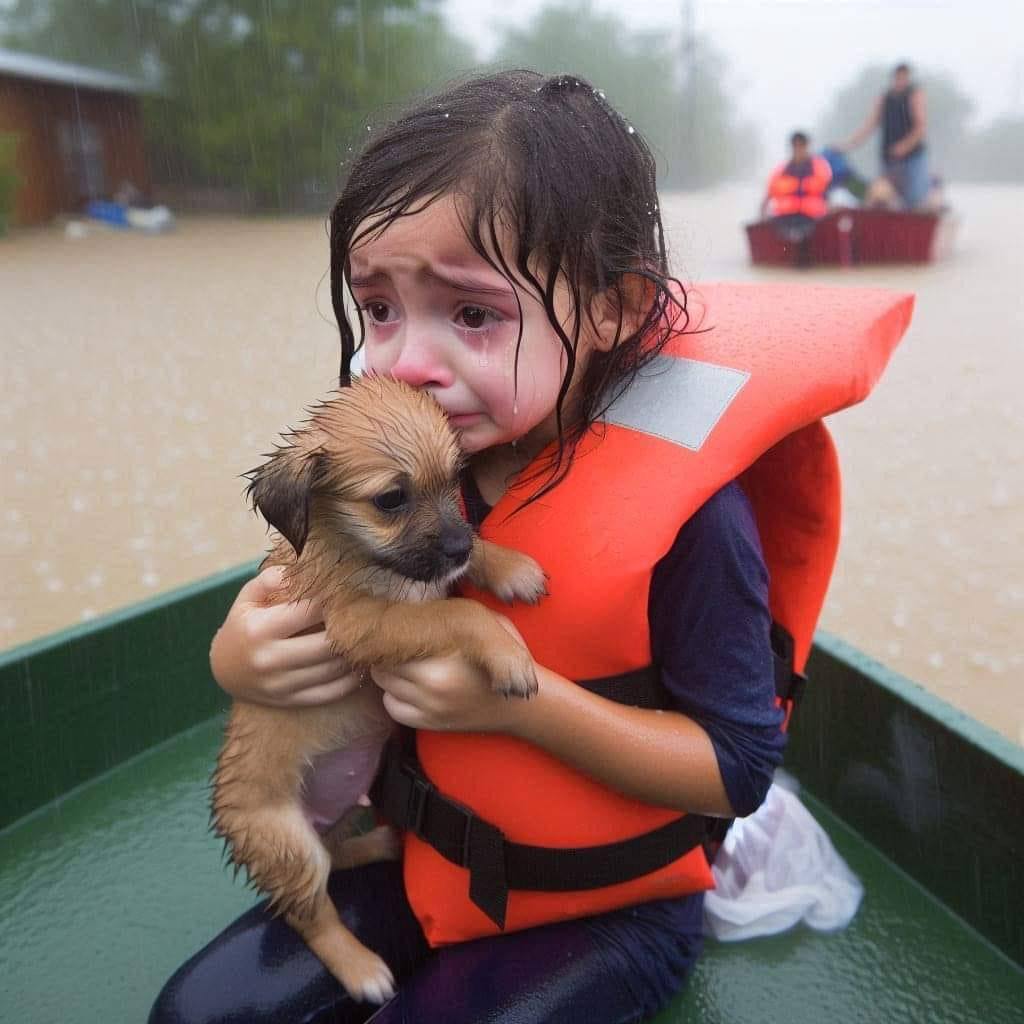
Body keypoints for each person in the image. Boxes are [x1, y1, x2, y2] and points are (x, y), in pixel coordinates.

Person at [149, 70, 903, 1024]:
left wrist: (524, 708)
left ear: (614, 309)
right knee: (195, 1017)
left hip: (605, 903)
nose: (409, 361)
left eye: (472, 314)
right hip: (421, 855)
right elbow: (310, 590)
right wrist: (240, 656)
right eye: (378, 308)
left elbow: (737, 770)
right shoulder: (416, 451)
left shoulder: (697, 522)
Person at [839, 62, 930, 209]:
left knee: (914, 199)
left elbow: (921, 127)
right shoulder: (885, 98)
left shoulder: (914, 95)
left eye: (904, 77)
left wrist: (904, 146)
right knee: (880, 198)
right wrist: (848, 145)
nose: (901, 80)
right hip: (889, 159)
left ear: (908, 78)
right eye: (898, 77)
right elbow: (870, 124)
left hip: (913, 158)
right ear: (894, 78)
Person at [760, 131, 833, 227]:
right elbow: (768, 196)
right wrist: (762, 214)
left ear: (807, 146)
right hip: (784, 219)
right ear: (792, 147)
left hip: (813, 218)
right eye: (795, 145)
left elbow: (828, 193)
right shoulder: (780, 170)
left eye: (801, 145)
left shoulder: (820, 167)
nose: (798, 148)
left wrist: (830, 210)